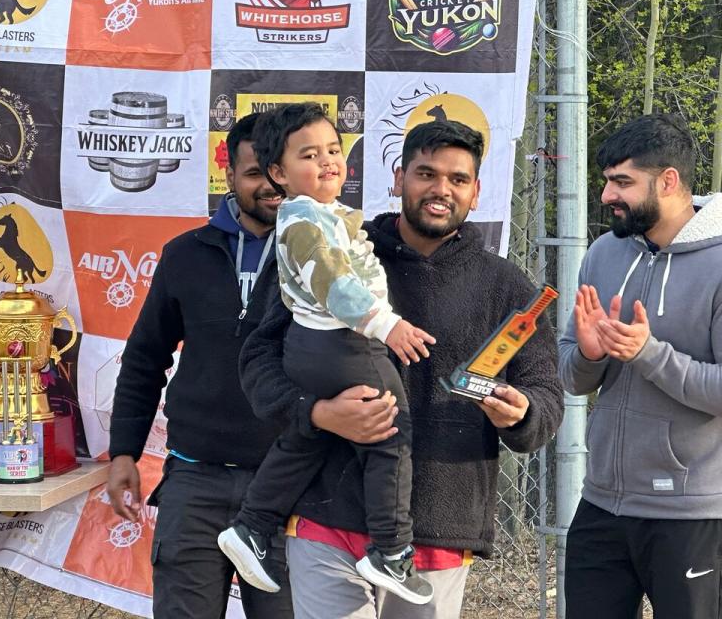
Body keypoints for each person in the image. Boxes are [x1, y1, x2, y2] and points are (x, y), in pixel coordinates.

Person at [238, 118, 564, 619]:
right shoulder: (335, 249)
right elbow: (257, 357)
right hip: (326, 512)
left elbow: (544, 396)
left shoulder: (506, 286)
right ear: (398, 178)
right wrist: (316, 413)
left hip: (438, 527)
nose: (440, 189)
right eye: (425, 173)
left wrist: (520, 413)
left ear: (476, 193)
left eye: (458, 180)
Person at [558, 114, 722, 619]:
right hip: (601, 504)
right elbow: (571, 377)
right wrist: (591, 353)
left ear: (668, 181)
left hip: (689, 514)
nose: (606, 197)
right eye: (605, 182)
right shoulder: (604, 254)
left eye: (622, 183)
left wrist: (648, 354)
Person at [217, 103, 436, 605]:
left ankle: (251, 527)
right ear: (279, 173)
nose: (329, 162)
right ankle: (392, 551)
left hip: (314, 349)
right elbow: (335, 284)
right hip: (343, 343)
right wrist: (390, 325)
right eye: (310, 155)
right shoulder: (304, 222)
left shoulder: (316, 214)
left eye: (334, 150)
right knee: (390, 433)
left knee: (305, 442)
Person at [105, 113, 293, 619]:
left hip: (291, 484)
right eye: (255, 173)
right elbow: (146, 357)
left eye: (280, 172)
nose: (271, 186)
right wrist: (123, 451)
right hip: (194, 482)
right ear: (228, 175)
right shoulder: (185, 255)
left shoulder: (328, 260)